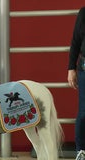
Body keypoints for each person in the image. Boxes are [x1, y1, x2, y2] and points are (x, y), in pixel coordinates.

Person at [67, 6, 85, 160]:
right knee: (84, 112)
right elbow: (75, 41)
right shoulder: (83, 13)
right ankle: (81, 151)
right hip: (84, 70)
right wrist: (71, 68)